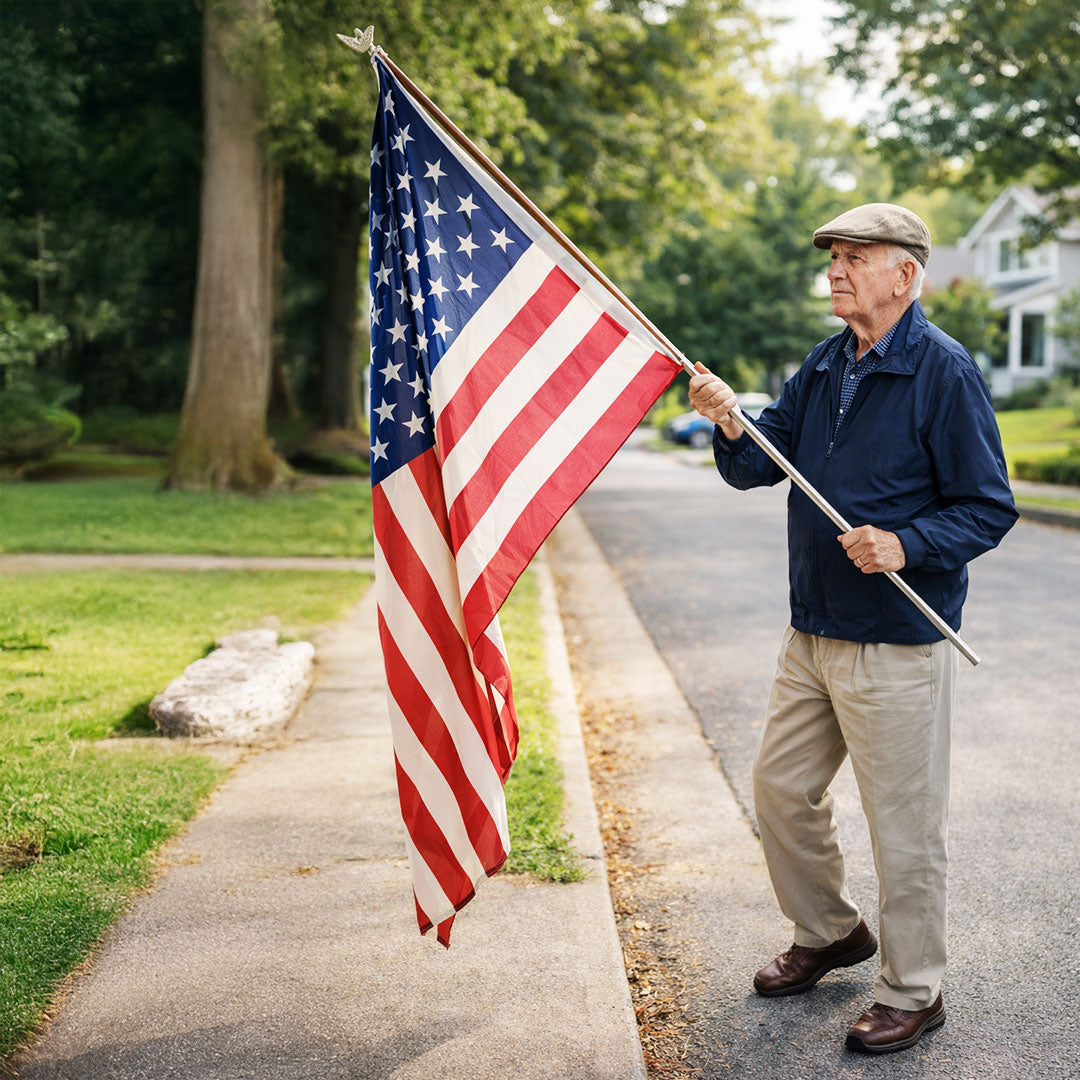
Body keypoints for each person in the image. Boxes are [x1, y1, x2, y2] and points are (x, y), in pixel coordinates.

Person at [688, 203, 1018, 1055]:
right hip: (813, 631)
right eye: (832, 257)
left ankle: (915, 989)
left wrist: (906, 544)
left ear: (905, 274)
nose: (835, 270)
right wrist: (730, 417)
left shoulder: (944, 372)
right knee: (778, 790)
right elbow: (763, 464)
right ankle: (830, 930)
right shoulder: (827, 360)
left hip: (898, 642)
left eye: (854, 257)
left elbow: (988, 506)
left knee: (904, 827)